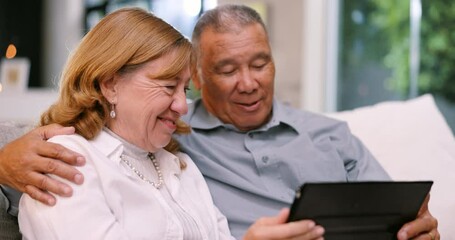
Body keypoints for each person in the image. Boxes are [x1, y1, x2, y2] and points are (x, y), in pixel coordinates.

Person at [0, 4, 438, 240]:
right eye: (227, 71)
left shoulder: (177, 163)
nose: (181, 107)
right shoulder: (66, 161)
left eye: (261, 64)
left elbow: (401, 214)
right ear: (109, 84)